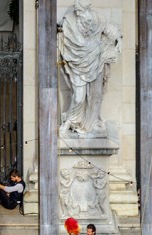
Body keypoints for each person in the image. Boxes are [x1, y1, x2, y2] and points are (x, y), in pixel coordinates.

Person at [59, 0, 122, 135]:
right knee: (79, 98)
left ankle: (92, 121)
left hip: (95, 62)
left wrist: (119, 40)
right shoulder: (70, 21)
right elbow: (60, 28)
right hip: (77, 64)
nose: (86, 23)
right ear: (77, 13)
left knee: (96, 95)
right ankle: (70, 121)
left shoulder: (96, 18)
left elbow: (110, 28)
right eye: (80, 13)